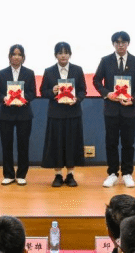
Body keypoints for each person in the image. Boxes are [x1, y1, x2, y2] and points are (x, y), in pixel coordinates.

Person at [93, 31, 135, 188]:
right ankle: (112, 173)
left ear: (128, 43)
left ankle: (127, 173)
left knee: (128, 143)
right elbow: (96, 80)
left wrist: (133, 100)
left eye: (123, 42)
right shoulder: (106, 60)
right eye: (117, 42)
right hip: (111, 109)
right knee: (111, 143)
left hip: (129, 109)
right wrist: (106, 93)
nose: (120, 45)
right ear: (113, 44)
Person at [40, 41, 86, 187]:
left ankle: (70, 174)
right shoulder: (49, 71)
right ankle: (58, 175)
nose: (63, 56)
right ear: (56, 55)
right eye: (60, 53)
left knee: (72, 144)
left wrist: (77, 99)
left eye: (66, 52)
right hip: (56, 114)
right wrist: (52, 91)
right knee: (56, 144)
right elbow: (43, 92)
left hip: (73, 112)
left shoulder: (77, 70)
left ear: (70, 54)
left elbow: (83, 90)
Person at [0, 44, 37, 185]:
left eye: (19, 54)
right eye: (14, 54)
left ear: (23, 57)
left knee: (23, 145)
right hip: (5, 114)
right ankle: (8, 174)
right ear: (9, 56)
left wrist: (23, 99)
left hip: (24, 114)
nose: (16, 57)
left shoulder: (29, 73)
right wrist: (4, 99)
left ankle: (21, 175)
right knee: (6, 145)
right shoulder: (2, 73)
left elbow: (33, 93)